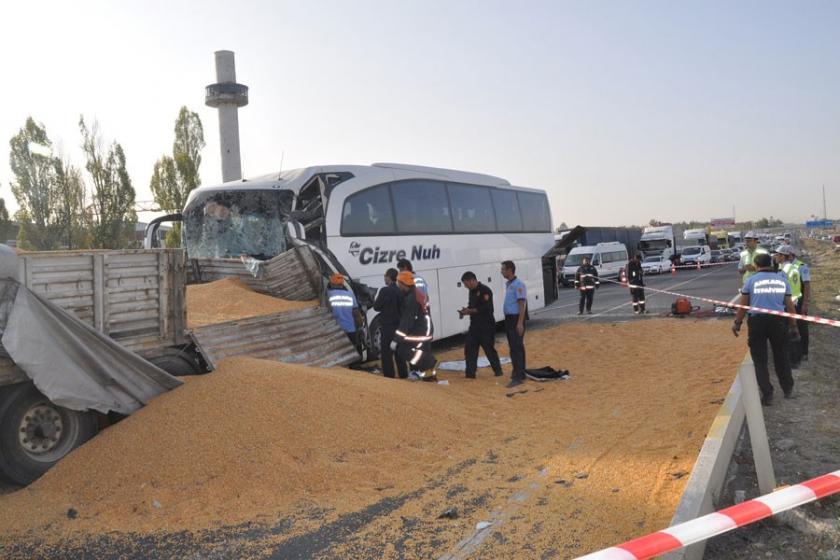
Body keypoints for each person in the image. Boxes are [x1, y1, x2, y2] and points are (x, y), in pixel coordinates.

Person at [732, 253, 798, 406]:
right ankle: (788, 389)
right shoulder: (782, 281)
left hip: (757, 322)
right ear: (771, 264)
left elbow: (743, 306)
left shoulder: (750, 281)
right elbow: (790, 306)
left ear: (756, 265)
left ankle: (767, 394)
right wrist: (793, 326)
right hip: (778, 322)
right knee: (781, 356)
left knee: (760, 359)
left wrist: (737, 322)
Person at [458, 271, 503, 379]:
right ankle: (470, 374)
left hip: (486, 325)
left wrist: (471, 311)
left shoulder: (485, 290)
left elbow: (486, 308)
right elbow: (471, 306)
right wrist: (465, 311)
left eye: (466, 284)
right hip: (474, 326)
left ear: (472, 280)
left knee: (489, 349)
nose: (465, 286)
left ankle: (498, 371)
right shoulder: (471, 292)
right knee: (470, 349)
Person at [392, 271, 437, 379]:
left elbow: (407, 320)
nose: (398, 286)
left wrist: (396, 340)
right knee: (421, 351)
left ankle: (429, 361)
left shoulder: (412, 298)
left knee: (403, 350)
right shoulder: (417, 293)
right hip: (425, 327)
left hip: (422, 330)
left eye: (398, 283)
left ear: (403, 283)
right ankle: (428, 376)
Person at [775, 245, 811, 365]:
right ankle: (796, 355)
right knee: (792, 328)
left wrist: (805, 303)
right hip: (789, 300)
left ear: (789, 255)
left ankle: (803, 352)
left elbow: (806, 285)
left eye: (778, 254)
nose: (776, 256)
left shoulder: (801, 266)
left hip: (797, 301)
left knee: (801, 327)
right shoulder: (783, 267)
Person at [373, 268, 407, 379]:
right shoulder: (400, 291)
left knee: (386, 353)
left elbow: (376, 307)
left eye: (385, 276)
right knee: (399, 352)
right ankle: (403, 375)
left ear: (389, 277)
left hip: (387, 327)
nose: (384, 278)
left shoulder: (384, 290)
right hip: (399, 326)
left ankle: (389, 376)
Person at [501, 260, 527, 388]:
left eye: (503, 269)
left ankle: (519, 376)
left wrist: (520, 323)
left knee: (517, 347)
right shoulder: (509, 284)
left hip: (515, 318)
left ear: (509, 270)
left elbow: (522, 305)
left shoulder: (518, 284)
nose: (501, 271)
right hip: (509, 318)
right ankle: (517, 371)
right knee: (513, 347)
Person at [326, 273, 363, 352]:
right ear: (342, 284)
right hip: (350, 330)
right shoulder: (350, 294)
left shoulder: (328, 294)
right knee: (351, 353)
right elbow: (356, 313)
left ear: (332, 283)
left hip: (336, 330)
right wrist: (360, 326)